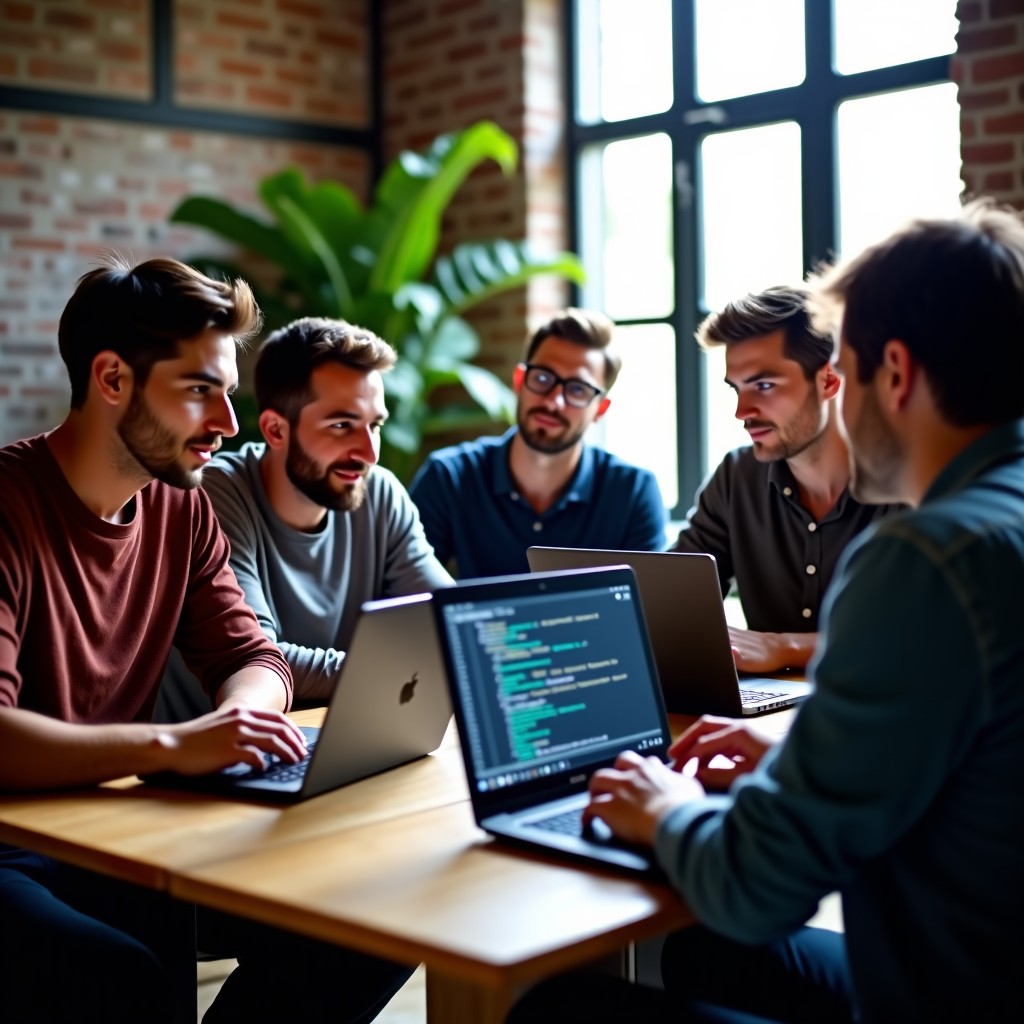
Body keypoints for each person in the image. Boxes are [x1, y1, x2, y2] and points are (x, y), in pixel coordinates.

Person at [506, 199, 1024, 1024]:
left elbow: (758, 890)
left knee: (556, 1009)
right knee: (706, 950)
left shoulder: (926, 559)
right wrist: (798, 758)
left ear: (893, 373)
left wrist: (668, 810)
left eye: (845, 375)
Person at [0, 256, 414, 1023]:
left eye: (227, 392)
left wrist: (243, 717)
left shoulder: (178, 508)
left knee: (382, 916)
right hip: (13, 845)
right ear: (112, 379)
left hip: (118, 826)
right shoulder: (9, 505)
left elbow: (251, 655)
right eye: (199, 391)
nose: (226, 423)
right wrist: (170, 747)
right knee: (119, 977)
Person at [157, 315, 453, 719]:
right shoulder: (213, 496)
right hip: (209, 758)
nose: (368, 453)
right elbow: (258, 659)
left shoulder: (380, 493)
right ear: (276, 431)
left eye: (375, 426)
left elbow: (451, 616)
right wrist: (397, 670)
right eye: (342, 425)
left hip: (328, 734)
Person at [672, 285, 900, 672]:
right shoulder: (736, 478)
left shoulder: (907, 480)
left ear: (828, 380)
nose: (742, 411)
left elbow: (918, 633)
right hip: (767, 716)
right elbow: (675, 600)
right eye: (736, 389)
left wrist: (785, 647)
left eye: (764, 386)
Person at [408, 308, 667, 578]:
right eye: (542, 378)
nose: (553, 401)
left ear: (600, 409)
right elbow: (404, 599)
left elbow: (651, 613)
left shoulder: (633, 492)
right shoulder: (449, 477)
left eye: (578, 389)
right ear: (520, 381)